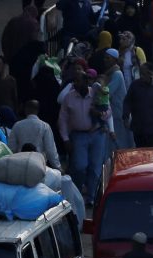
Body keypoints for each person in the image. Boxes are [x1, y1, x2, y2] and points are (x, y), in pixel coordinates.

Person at [59, 68, 111, 200]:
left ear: (85, 82)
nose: (75, 84)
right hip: (78, 136)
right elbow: (63, 120)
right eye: (74, 81)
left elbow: (108, 111)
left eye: (78, 81)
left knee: (95, 167)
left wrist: (99, 114)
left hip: (97, 134)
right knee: (80, 166)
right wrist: (65, 139)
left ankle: (92, 196)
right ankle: (77, 192)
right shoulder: (69, 98)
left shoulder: (96, 94)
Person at [123, 63, 153, 148]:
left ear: (150, 73)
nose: (141, 76)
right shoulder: (134, 85)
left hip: (152, 126)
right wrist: (125, 117)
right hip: (138, 125)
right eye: (140, 73)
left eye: (143, 74)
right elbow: (128, 101)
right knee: (140, 151)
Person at [8, 100, 61, 169]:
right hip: (39, 165)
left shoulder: (17, 125)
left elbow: (11, 148)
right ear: (37, 110)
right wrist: (58, 167)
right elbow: (50, 150)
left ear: (25, 109)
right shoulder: (44, 126)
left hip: (20, 163)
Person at [103, 48, 134, 149]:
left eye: (108, 58)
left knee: (120, 142)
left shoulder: (117, 74)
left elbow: (107, 92)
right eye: (105, 58)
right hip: (114, 112)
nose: (105, 60)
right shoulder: (110, 73)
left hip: (118, 112)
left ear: (114, 60)